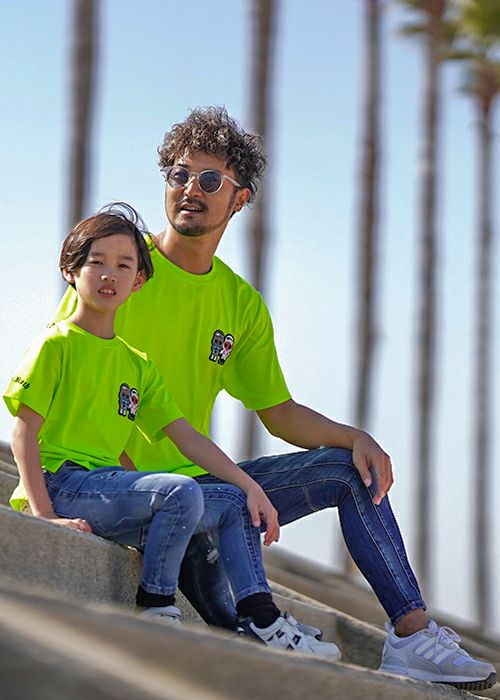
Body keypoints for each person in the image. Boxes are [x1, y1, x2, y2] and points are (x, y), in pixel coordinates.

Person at [52, 109, 495, 690]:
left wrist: (355, 437)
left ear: (239, 199)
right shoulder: (121, 271)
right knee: (230, 612)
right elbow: (69, 385)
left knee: (347, 471)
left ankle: (412, 637)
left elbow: (278, 412)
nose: (190, 189)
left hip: (208, 485)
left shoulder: (240, 303)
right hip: (131, 490)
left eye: (211, 180)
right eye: (180, 174)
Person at [4, 204, 341, 658]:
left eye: (124, 265)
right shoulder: (56, 344)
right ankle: (157, 604)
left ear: (139, 281)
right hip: (59, 483)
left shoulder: (136, 364)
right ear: (71, 270)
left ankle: (261, 616)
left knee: (230, 499)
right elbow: (24, 433)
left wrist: (249, 487)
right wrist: (43, 514)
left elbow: (187, 437)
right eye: (96, 262)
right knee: (180, 491)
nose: (109, 275)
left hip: (102, 486)